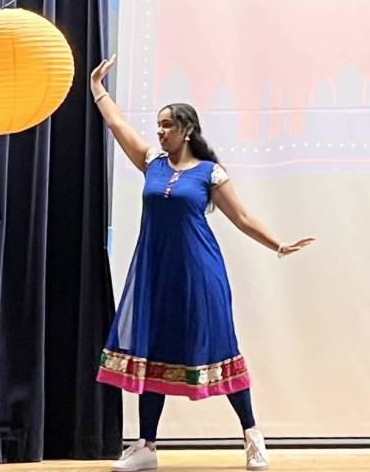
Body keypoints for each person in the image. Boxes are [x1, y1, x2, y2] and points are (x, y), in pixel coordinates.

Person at [90, 55, 315, 471]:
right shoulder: (152, 164)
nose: (160, 132)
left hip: (200, 273)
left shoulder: (210, 173)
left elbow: (243, 218)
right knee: (151, 350)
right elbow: (119, 128)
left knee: (221, 347)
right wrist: (98, 90)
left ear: (188, 130)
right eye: (158, 125)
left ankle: (252, 437)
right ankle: (146, 448)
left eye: (168, 125)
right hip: (156, 273)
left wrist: (279, 245)